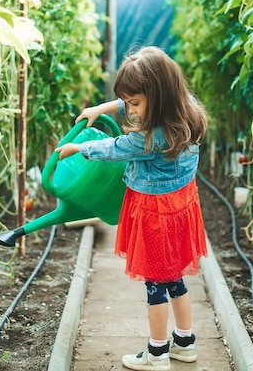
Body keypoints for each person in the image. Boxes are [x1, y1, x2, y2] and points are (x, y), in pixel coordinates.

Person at [55, 46, 209, 371]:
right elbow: (140, 99)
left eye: (134, 104)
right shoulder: (186, 112)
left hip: (156, 215)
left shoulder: (149, 138)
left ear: (158, 98)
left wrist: (78, 147)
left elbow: (115, 147)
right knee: (175, 278)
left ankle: (157, 353)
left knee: (155, 284)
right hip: (181, 206)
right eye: (127, 103)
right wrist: (103, 106)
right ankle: (185, 342)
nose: (130, 110)